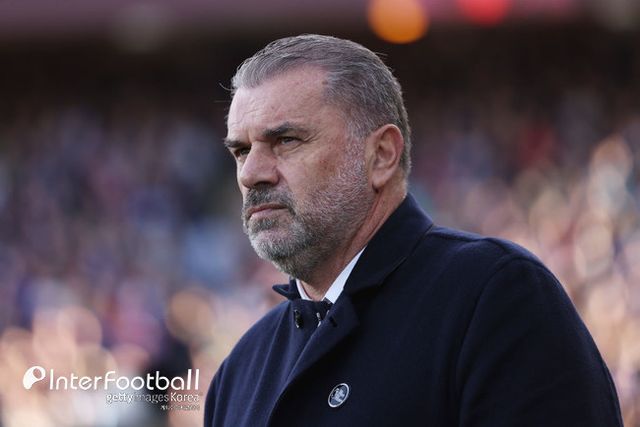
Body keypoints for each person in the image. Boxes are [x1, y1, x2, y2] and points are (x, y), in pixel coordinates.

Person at [204, 34, 622, 427]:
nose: (251, 173)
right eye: (241, 150)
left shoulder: (495, 297)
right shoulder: (239, 371)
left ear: (382, 155)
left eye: (286, 140)